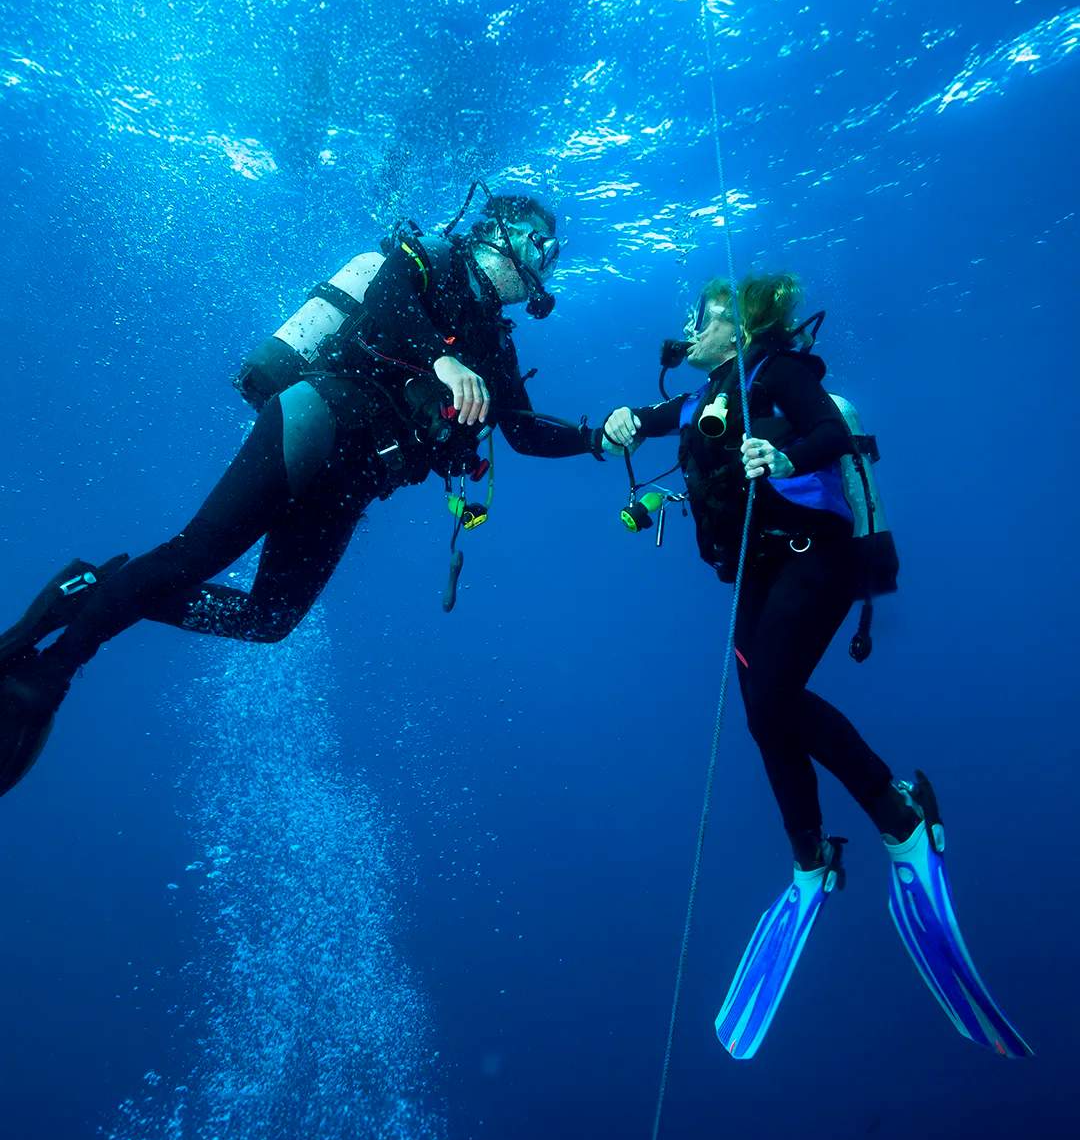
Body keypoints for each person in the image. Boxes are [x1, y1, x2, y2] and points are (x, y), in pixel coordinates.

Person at [0, 186, 603, 797]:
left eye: (553, 250)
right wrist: (440, 363)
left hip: (352, 485)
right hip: (318, 420)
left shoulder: (496, 343)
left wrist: (597, 436)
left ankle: (90, 594)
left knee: (269, 620)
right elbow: (388, 297)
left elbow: (523, 432)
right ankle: (51, 673)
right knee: (195, 554)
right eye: (538, 240)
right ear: (497, 230)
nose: (548, 258)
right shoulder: (430, 258)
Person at [601, 273, 1030, 1059]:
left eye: (704, 316)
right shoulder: (705, 398)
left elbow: (830, 434)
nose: (690, 326)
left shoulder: (782, 372)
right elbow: (661, 419)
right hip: (760, 575)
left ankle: (902, 819)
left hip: (816, 559)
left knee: (772, 698)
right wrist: (626, 421)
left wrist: (782, 449)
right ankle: (810, 856)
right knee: (765, 716)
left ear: (741, 324)